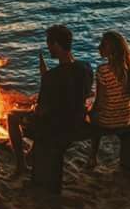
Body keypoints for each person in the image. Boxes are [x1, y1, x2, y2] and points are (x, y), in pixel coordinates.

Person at [8, 24, 93, 175]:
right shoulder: (86, 67)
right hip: (78, 120)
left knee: (12, 117)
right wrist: (46, 78)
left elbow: (41, 111)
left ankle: (21, 165)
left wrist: (33, 108)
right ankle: (33, 154)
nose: (48, 49)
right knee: (46, 114)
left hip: (58, 126)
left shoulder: (51, 76)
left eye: (49, 45)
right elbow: (80, 92)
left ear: (55, 44)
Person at [87, 31, 130, 169]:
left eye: (102, 45)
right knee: (98, 112)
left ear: (111, 49)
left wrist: (90, 111)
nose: (99, 47)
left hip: (108, 119)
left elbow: (101, 101)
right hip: (127, 116)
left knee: (92, 117)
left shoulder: (102, 70)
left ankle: (92, 156)